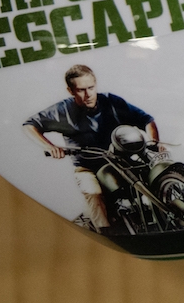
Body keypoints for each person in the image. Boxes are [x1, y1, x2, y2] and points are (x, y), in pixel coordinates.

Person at [23, 64, 159, 233]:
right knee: (93, 192)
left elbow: (146, 120)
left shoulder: (111, 102)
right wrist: (50, 147)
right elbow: (29, 125)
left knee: (150, 174)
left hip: (120, 161)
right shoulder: (63, 111)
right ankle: (107, 235)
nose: (88, 95)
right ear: (70, 91)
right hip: (88, 168)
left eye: (91, 88)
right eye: (81, 90)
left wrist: (153, 142)